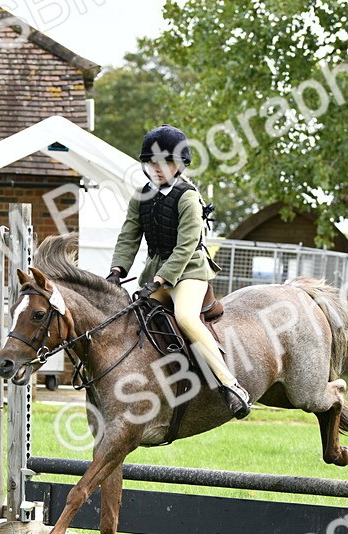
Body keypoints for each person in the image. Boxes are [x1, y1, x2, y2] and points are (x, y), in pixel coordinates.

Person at [108, 124, 252, 418]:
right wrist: (116, 269)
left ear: (179, 165)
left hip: (190, 272)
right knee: (131, 319)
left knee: (186, 317)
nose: (158, 169)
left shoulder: (188, 196)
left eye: (166, 163)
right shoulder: (140, 196)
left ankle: (231, 385)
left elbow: (186, 246)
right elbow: (129, 236)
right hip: (156, 273)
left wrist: (161, 279)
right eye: (152, 163)